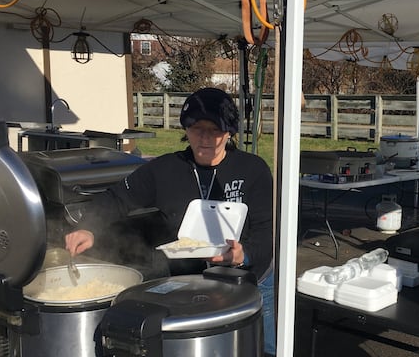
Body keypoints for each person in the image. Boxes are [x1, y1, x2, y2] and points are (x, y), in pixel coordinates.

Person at [64, 87, 276, 356]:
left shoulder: (252, 169)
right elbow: (118, 198)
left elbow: (266, 231)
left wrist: (242, 254)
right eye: (198, 128)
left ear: (230, 132)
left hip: (249, 279)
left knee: (259, 348)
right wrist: (88, 227)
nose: (206, 138)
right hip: (188, 281)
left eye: (216, 130)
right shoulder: (164, 169)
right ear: (186, 129)